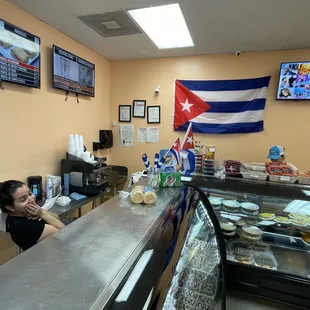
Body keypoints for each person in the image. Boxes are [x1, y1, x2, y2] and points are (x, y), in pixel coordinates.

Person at [0, 180, 65, 251]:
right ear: (10, 207)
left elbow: (57, 217)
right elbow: (64, 233)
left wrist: (41, 213)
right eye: (23, 199)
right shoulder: (24, 227)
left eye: (30, 193)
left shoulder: (25, 212)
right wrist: (42, 214)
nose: (31, 199)